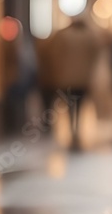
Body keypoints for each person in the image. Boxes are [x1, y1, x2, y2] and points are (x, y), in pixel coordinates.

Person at [39, 19, 99, 149]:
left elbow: (52, 54)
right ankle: (76, 129)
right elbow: (96, 53)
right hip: (83, 79)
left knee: (69, 106)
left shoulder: (62, 35)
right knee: (80, 106)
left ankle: (72, 130)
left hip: (67, 79)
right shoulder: (88, 35)